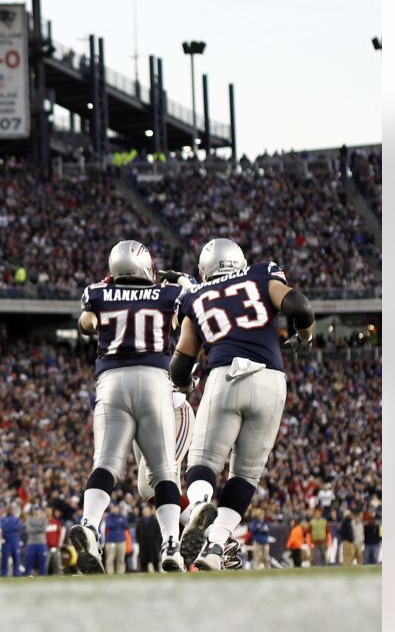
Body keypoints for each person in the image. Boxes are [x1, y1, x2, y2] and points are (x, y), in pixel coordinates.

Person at [172, 238, 316, 571]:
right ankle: (216, 545)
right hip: (271, 381)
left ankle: (197, 507)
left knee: (204, 460)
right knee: (246, 474)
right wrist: (305, 337)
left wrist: (186, 384)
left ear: (204, 269)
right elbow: (301, 309)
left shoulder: (195, 296)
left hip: (226, 376)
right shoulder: (262, 275)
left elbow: (181, 361)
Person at [69, 241, 190, 574]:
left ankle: (90, 526)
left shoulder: (99, 292)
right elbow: (184, 320)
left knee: (105, 464)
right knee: (164, 470)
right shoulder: (166, 295)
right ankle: (171, 544)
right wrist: (181, 283)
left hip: (111, 382)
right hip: (153, 380)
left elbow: (86, 324)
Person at [23, 506, 49, 576]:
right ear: (33, 511)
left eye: (38, 510)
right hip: (31, 543)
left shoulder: (44, 519)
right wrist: (39, 529)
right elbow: (29, 530)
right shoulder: (29, 519)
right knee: (29, 560)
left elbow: (44, 529)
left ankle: (42, 575)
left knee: (42, 561)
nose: (37, 512)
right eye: (35, 510)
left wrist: (34, 528)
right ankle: (28, 574)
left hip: (41, 543)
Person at [103, 503, 128, 575]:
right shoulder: (109, 517)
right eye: (113, 508)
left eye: (116, 508)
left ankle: (121, 573)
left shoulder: (122, 516)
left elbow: (125, 524)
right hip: (111, 540)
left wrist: (117, 523)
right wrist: (118, 523)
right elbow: (109, 525)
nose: (115, 509)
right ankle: (110, 573)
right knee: (110, 559)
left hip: (121, 540)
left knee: (121, 559)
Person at [135, 504, 162, 572]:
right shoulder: (140, 522)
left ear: (150, 511)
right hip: (143, 545)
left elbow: (159, 533)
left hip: (153, 545)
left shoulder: (155, 521)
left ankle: (157, 572)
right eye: (145, 511)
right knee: (143, 562)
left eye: (147, 511)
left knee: (155, 562)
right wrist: (139, 541)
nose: (146, 512)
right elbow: (137, 533)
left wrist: (157, 543)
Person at [0, 504, 23, 577]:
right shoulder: (3, 519)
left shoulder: (16, 519)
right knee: (4, 559)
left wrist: (9, 527)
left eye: (10, 509)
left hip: (15, 541)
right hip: (6, 541)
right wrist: (12, 527)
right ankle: (3, 573)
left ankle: (16, 573)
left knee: (16, 558)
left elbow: (19, 526)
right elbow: (4, 527)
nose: (9, 510)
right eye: (8, 509)